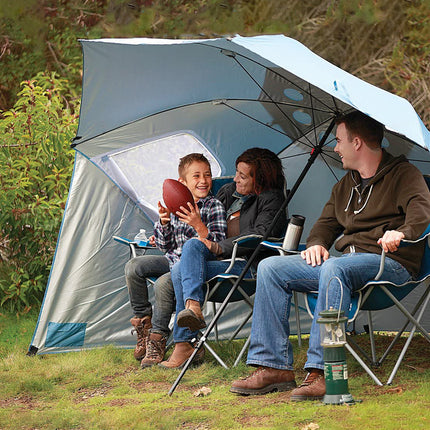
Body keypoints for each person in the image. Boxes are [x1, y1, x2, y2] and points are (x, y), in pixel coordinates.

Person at [230, 111, 430, 399]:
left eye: (339, 140)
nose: (335, 147)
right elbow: (325, 224)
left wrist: (402, 232)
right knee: (271, 267)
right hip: (344, 263)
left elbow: (421, 213)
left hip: (391, 262)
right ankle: (273, 367)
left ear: (357, 142)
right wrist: (317, 243)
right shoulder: (346, 184)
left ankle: (322, 372)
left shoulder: (404, 175)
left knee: (333, 270)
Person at [160, 147, 287, 369]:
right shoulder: (230, 192)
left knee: (182, 270)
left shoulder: (272, 201)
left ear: (260, 179)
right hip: (219, 263)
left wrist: (219, 247)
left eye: (243, 176)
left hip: (246, 267)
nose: (235, 178)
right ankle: (193, 309)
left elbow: (258, 236)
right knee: (189, 250)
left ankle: (183, 343)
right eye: (237, 172)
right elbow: (207, 216)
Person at [125, 153, 227, 367]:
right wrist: (163, 223)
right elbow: (164, 246)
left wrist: (199, 224)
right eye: (196, 176)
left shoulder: (213, 206)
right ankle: (144, 326)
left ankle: (158, 338)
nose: (203, 180)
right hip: (171, 259)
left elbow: (219, 247)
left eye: (207, 175)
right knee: (134, 266)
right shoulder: (174, 206)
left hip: (193, 267)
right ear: (182, 182)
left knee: (163, 283)